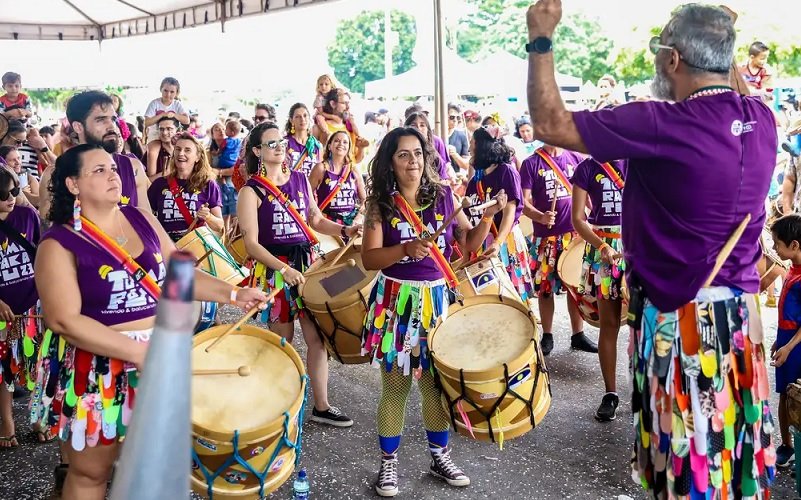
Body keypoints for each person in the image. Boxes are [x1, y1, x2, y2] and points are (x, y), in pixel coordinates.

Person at [526, 1, 775, 496]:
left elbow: (550, 124)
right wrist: (721, 36)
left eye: (661, 48)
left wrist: (541, 38)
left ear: (674, 61)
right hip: (740, 324)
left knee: (685, 473)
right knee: (728, 468)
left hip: (680, 323)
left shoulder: (662, 124)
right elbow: (734, 89)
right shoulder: (761, 119)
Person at [31, 144, 267, 500]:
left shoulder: (141, 219)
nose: (112, 174)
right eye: (98, 170)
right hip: (99, 369)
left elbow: (179, 275)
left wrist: (234, 295)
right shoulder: (58, 242)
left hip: (157, 361)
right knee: (91, 472)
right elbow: (63, 320)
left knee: (154, 469)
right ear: (73, 184)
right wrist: (139, 353)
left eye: (112, 167)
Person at [361, 126, 506, 497]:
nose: (412, 161)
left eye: (417, 153)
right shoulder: (381, 204)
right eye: (403, 155)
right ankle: (388, 465)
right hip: (397, 302)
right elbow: (369, 258)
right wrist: (405, 249)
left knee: (436, 388)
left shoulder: (443, 196)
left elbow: (469, 243)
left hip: (438, 302)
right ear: (389, 163)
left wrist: (489, 217)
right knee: (396, 388)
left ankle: (439, 457)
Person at [237, 122, 360, 430]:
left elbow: (315, 219)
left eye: (281, 141)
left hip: (307, 266)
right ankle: (278, 405)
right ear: (256, 151)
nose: (280, 146)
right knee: (282, 340)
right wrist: (284, 270)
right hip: (274, 270)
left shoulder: (301, 180)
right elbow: (251, 244)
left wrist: (344, 229)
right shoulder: (250, 191)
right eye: (271, 143)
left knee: (317, 337)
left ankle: (321, 405)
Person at [519, 142, 594, 356]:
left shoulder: (575, 157)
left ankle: (578, 335)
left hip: (575, 235)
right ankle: (548, 335)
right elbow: (523, 201)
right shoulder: (531, 163)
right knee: (545, 289)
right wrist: (540, 217)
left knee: (574, 285)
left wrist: (593, 215)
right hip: (547, 237)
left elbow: (587, 195)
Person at [570, 156, 627, 421]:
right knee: (610, 323)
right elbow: (578, 218)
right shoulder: (587, 168)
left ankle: (647, 389)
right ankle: (611, 393)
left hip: (638, 247)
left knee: (644, 324)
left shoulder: (638, 159)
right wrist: (602, 245)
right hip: (602, 252)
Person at [40, 91, 151, 226]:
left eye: (113, 119)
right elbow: (48, 232)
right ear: (78, 127)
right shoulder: (54, 174)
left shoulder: (133, 167)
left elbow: (147, 225)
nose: (111, 126)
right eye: (101, 120)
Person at [463, 126, 535, 308]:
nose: (470, 147)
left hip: (505, 240)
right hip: (482, 239)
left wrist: (497, 243)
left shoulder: (506, 172)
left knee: (512, 294)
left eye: (473, 142)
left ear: (483, 146)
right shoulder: (475, 180)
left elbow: (510, 213)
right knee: (489, 296)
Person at [0, 166, 44, 448]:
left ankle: (40, 417)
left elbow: (45, 256)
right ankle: (7, 422)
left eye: (15, 191)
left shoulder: (28, 215)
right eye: (3, 195)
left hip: (33, 306)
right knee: (3, 371)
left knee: (41, 365)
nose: (11, 198)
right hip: (2, 313)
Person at [147, 132, 224, 241]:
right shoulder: (159, 184)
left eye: (187, 150)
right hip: (166, 247)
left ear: (197, 157)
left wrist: (208, 217)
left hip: (196, 247)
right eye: (178, 149)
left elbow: (220, 226)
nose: (181, 153)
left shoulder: (208, 185)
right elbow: (146, 216)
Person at [770, 214, 801, 469]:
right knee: (783, 394)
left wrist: (789, 347)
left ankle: (796, 449)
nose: (773, 249)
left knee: (796, 395)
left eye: (777, 243)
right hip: (785, 339)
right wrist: (779, 342)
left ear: (794, 246)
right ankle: (787, 445)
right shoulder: (792, 269)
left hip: (796, 345)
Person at [309, 130, 365, 226]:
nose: (341, 144)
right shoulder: (321, 168)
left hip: (352, 223)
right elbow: (307, 196)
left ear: (348, 148)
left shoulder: (354, 170)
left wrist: (359, 217)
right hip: (327, 223)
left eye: (345, 142)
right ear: (329, 146)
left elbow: (365, 200)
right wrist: (316, 216)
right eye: (337, 141)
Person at [311, 88, 368, 163]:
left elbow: (356, 160)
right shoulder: (319, 128)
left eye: (348, 103)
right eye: (344, 103)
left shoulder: (351, 128)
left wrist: (361, 148)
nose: (348, 107)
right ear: (333, 104)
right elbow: (311, 157)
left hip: (349, 172)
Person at [404, 112, 451, 181]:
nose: (418, 128)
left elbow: (444, 167)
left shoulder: (436, 142)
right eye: (413, 125)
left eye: (422, 125)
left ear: (428, 129)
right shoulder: (402, 145)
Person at [143, 77, 190, 142]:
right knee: (153, 152)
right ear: (161, 89)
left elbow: (187, 121)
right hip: (155, 135)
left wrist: (174, 115)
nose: (168, 94)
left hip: (172, 135)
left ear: (177, 93)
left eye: (172, 92)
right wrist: (162, 115)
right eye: (165, 90)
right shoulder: (154, 103)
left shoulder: (177, 104)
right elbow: (146, 122)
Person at [284, 104, 322, 178]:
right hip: (291, 187)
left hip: (310, 188)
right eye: (298, 117)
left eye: (305, 115)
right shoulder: (285, 143)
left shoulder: (317, 145)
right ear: (291, 120)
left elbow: (319, 173)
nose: (302, 119)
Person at [144, 115, 177, 180]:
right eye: (161, 129)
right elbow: (150, 181)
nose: (164, 132)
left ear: (178, 129)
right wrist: (167, 172)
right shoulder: (154, 147)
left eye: (169, 129)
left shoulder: (183, 147)